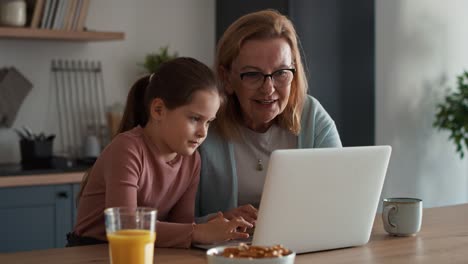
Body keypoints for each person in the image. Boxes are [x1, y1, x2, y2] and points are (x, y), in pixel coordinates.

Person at [68, 57, 252, 248]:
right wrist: (199, 231)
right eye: (195, 118)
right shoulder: (127, 149)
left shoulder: (191, 160)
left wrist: (218, 220)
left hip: (143, 251)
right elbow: (124, 226)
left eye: (208, 122)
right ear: (158, 110)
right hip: (92, 251)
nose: (203, 132)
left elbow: (181, 227)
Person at [196, 10, 342, 223]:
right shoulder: (203, 124)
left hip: (300, 249)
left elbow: (340, 197)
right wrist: (218, 220)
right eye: (253, 75)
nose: (268, 89)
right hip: (224, 254)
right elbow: (175, 221)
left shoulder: (311, 115)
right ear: (227, 78)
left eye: (281, 72)